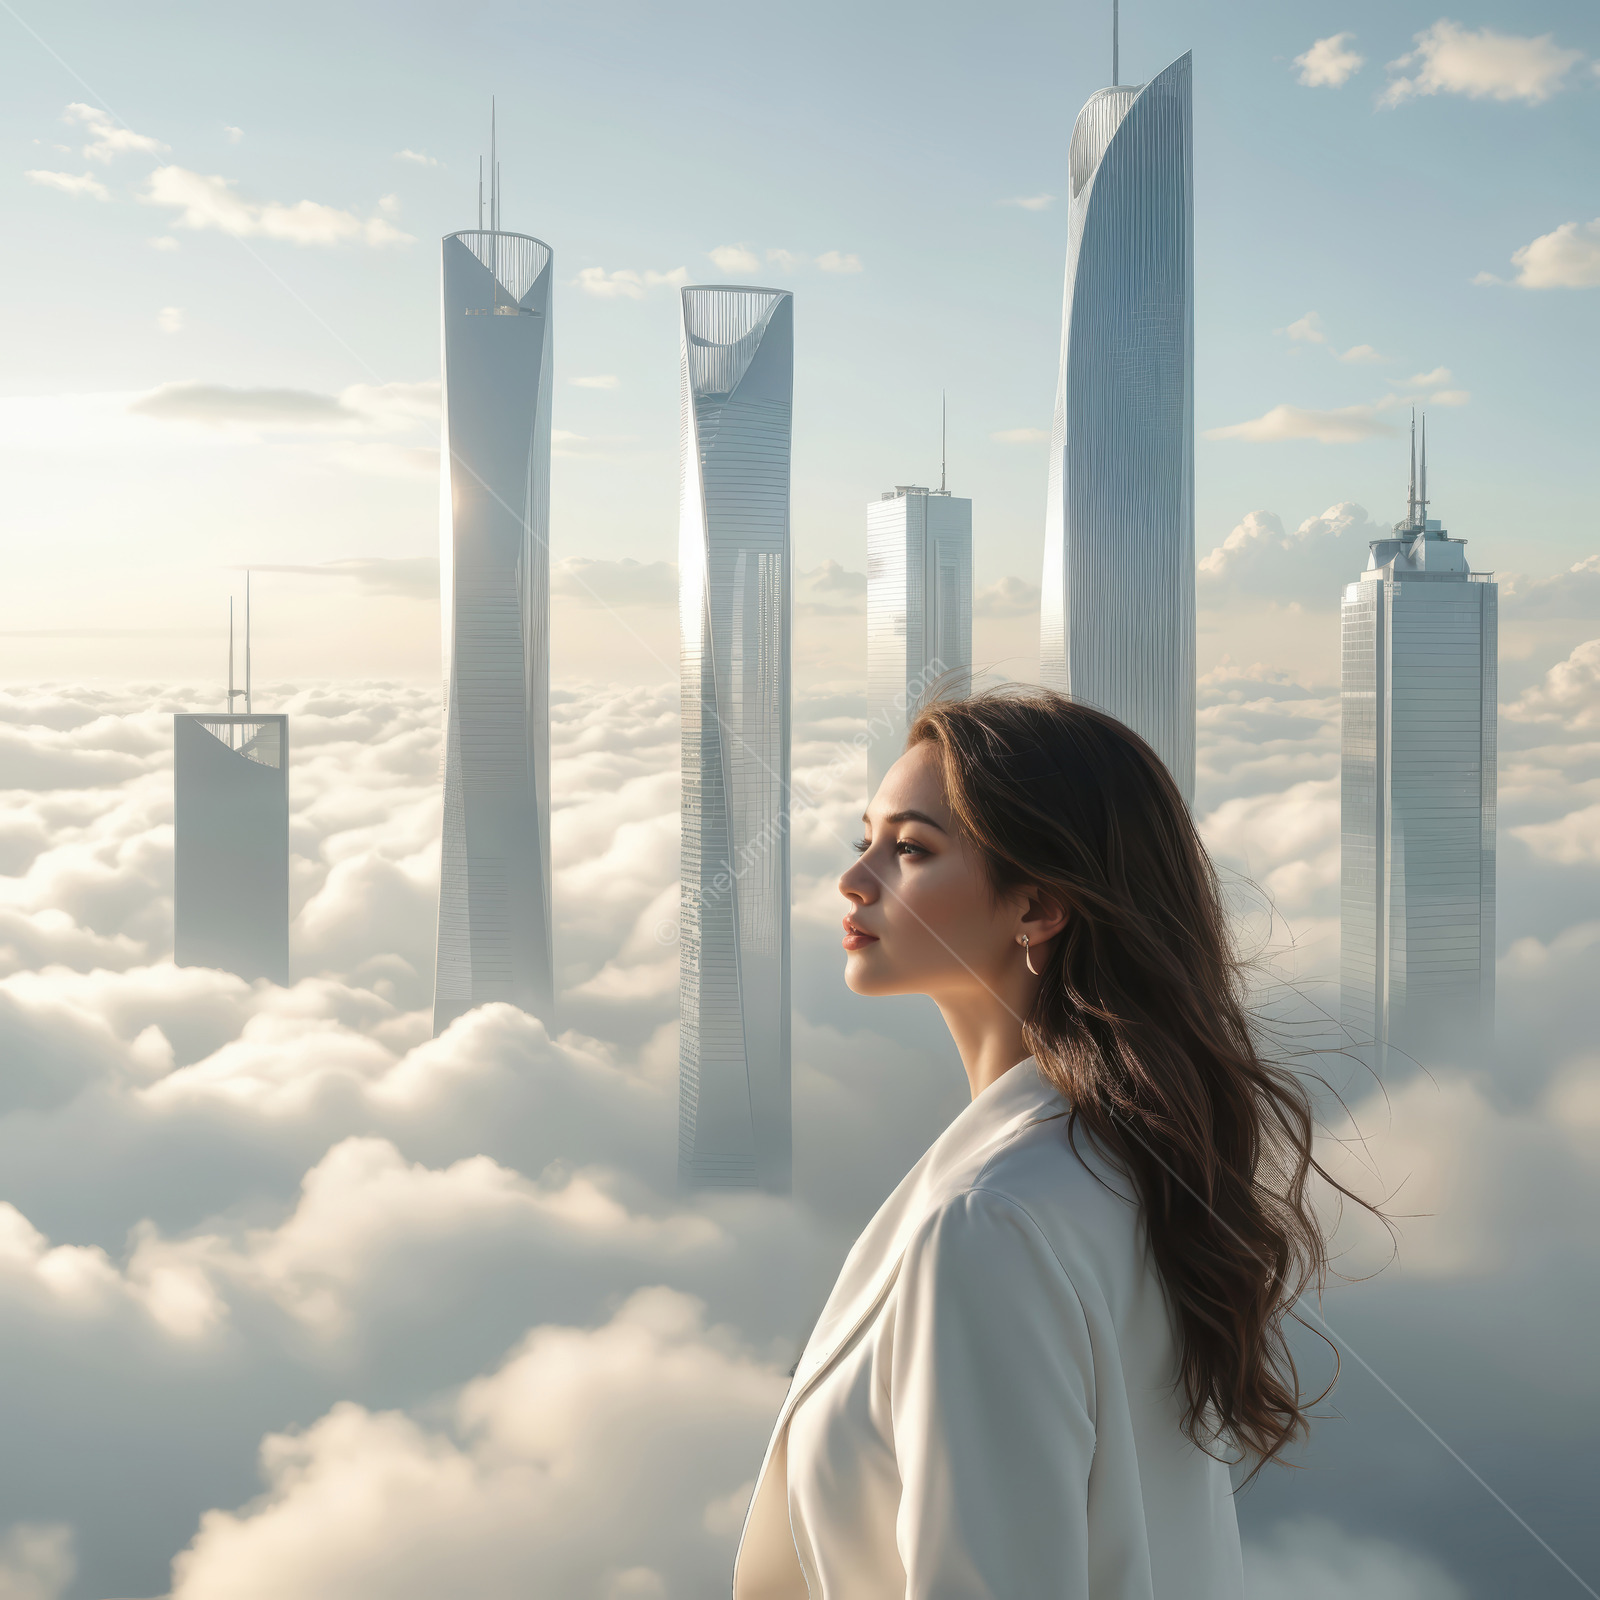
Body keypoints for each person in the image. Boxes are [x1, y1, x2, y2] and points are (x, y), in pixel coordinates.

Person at [734, 689, 1346, 1599]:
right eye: (866, 840)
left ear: (1040, 904)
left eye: (911, 849)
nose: (854, 879)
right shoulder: (1128, 1165)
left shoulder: (990, 1223)